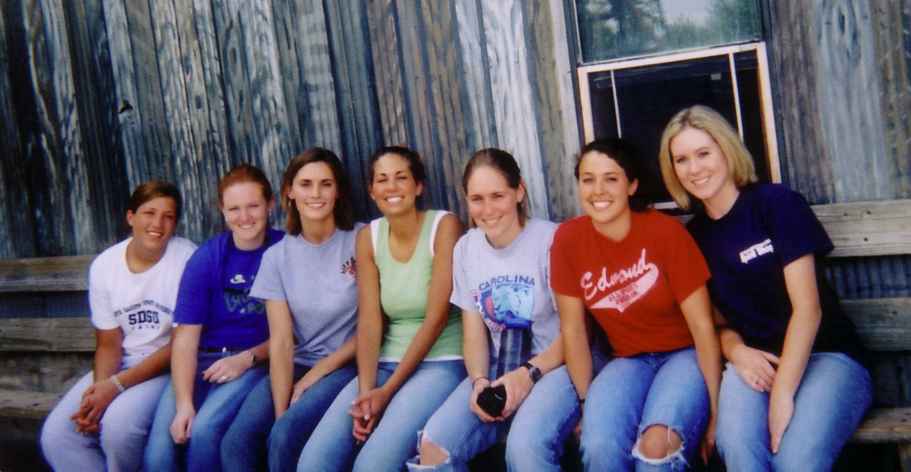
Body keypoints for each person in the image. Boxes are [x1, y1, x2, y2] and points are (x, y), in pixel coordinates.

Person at [659, 105, 871, 471]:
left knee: (795, 459)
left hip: (827, 357)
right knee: (738, 448)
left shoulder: (776, 204)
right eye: (681, 159)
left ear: (726, 149)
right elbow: (715, 324)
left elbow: (808, 310)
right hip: (755, 364)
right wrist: (738, 351)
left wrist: (783, 394)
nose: (694, 169)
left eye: (703, 153)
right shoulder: (692, 237)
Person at [552, 139, 721, 471]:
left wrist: (716, 411)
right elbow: (572, 329)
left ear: (632, 185)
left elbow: (703, 326)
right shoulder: (568, 239)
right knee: (599, 446)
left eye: (611, 179)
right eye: (588, 179)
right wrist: (588, 403)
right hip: (628, 360)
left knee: (657, 448)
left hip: (684, 354)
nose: (598, 190)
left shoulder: (664, 233)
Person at [297, 146, 464, 471]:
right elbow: (371, 321)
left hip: (440, 362)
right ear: (372, 191)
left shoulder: (444, 227)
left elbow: (436, 317)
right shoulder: (368, 237)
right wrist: (365, 395)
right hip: (385, 363)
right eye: (382, 180)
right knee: (313, 463)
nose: (392, 187)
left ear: (418, 186)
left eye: (401, 178)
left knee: (372, 466)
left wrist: (386, 392)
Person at [410, 148, 576, 471]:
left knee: (524, 449)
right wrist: (479, 382)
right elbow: (474, 333)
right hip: (501, 369)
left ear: (519, 191)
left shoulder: (551, 240)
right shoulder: (467, 248)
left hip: (556, 365)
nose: (487, 210)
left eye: (497, 195)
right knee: (433, 447)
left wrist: (528, 375)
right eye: (477, 199)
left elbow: (576, 331)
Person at [40, 180, 197, 471]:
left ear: (175, 224)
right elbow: (109, 344)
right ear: (130, 217)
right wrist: (100, 391)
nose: (157, 224)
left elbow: (181, 345)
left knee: (118, 429)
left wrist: (115, 387)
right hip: (122, 364)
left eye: (168, 216)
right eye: (149, 213)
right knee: (57, 436)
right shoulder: (105, 266)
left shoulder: (186, 259)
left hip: (168, 367)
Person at [220, 148, 361, 472]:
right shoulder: (277, 257)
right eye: (306, 184)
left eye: (325, 184)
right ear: (289, 191)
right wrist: (281, 410)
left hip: (344, 366)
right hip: (295, 364)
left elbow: (371, 326)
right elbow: (282, 342)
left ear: (337, 191)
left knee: (285, 436)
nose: (315, 193)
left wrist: (313, 377)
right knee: (237, 442)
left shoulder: (360, 239)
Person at [144, 165, 282, 471]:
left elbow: (298, 333)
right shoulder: (207, 258)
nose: (244, 217)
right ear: (222, 211)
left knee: (205, 432)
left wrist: (248, 358)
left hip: (252, 364)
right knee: (159, 454)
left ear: (270, 205)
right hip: (201, 363)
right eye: (234, 208)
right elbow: (185, 340)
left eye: (253, 206)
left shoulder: (284, 250)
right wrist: (183, 404)